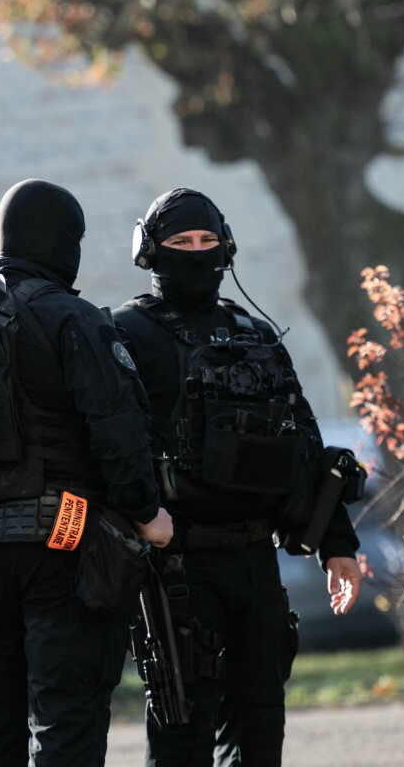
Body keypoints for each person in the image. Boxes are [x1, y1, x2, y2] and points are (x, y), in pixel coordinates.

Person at [0, 178, 174, 766]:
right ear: (63, 240)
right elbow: (117, 428)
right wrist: (145, 513)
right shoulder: (70, 316)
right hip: (63, 540)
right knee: (67, 716)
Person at [112, 187, 362, 767]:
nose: (197, 253)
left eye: (207, 241)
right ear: (149, 251)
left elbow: (306, 442)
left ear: (226, 247)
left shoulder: (256, 334)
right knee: (183, 735)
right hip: (177, 566)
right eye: (180, 243)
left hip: (255, 559)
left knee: (260, 734)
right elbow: (114, 448)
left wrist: (337, 544)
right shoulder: (125, 332)